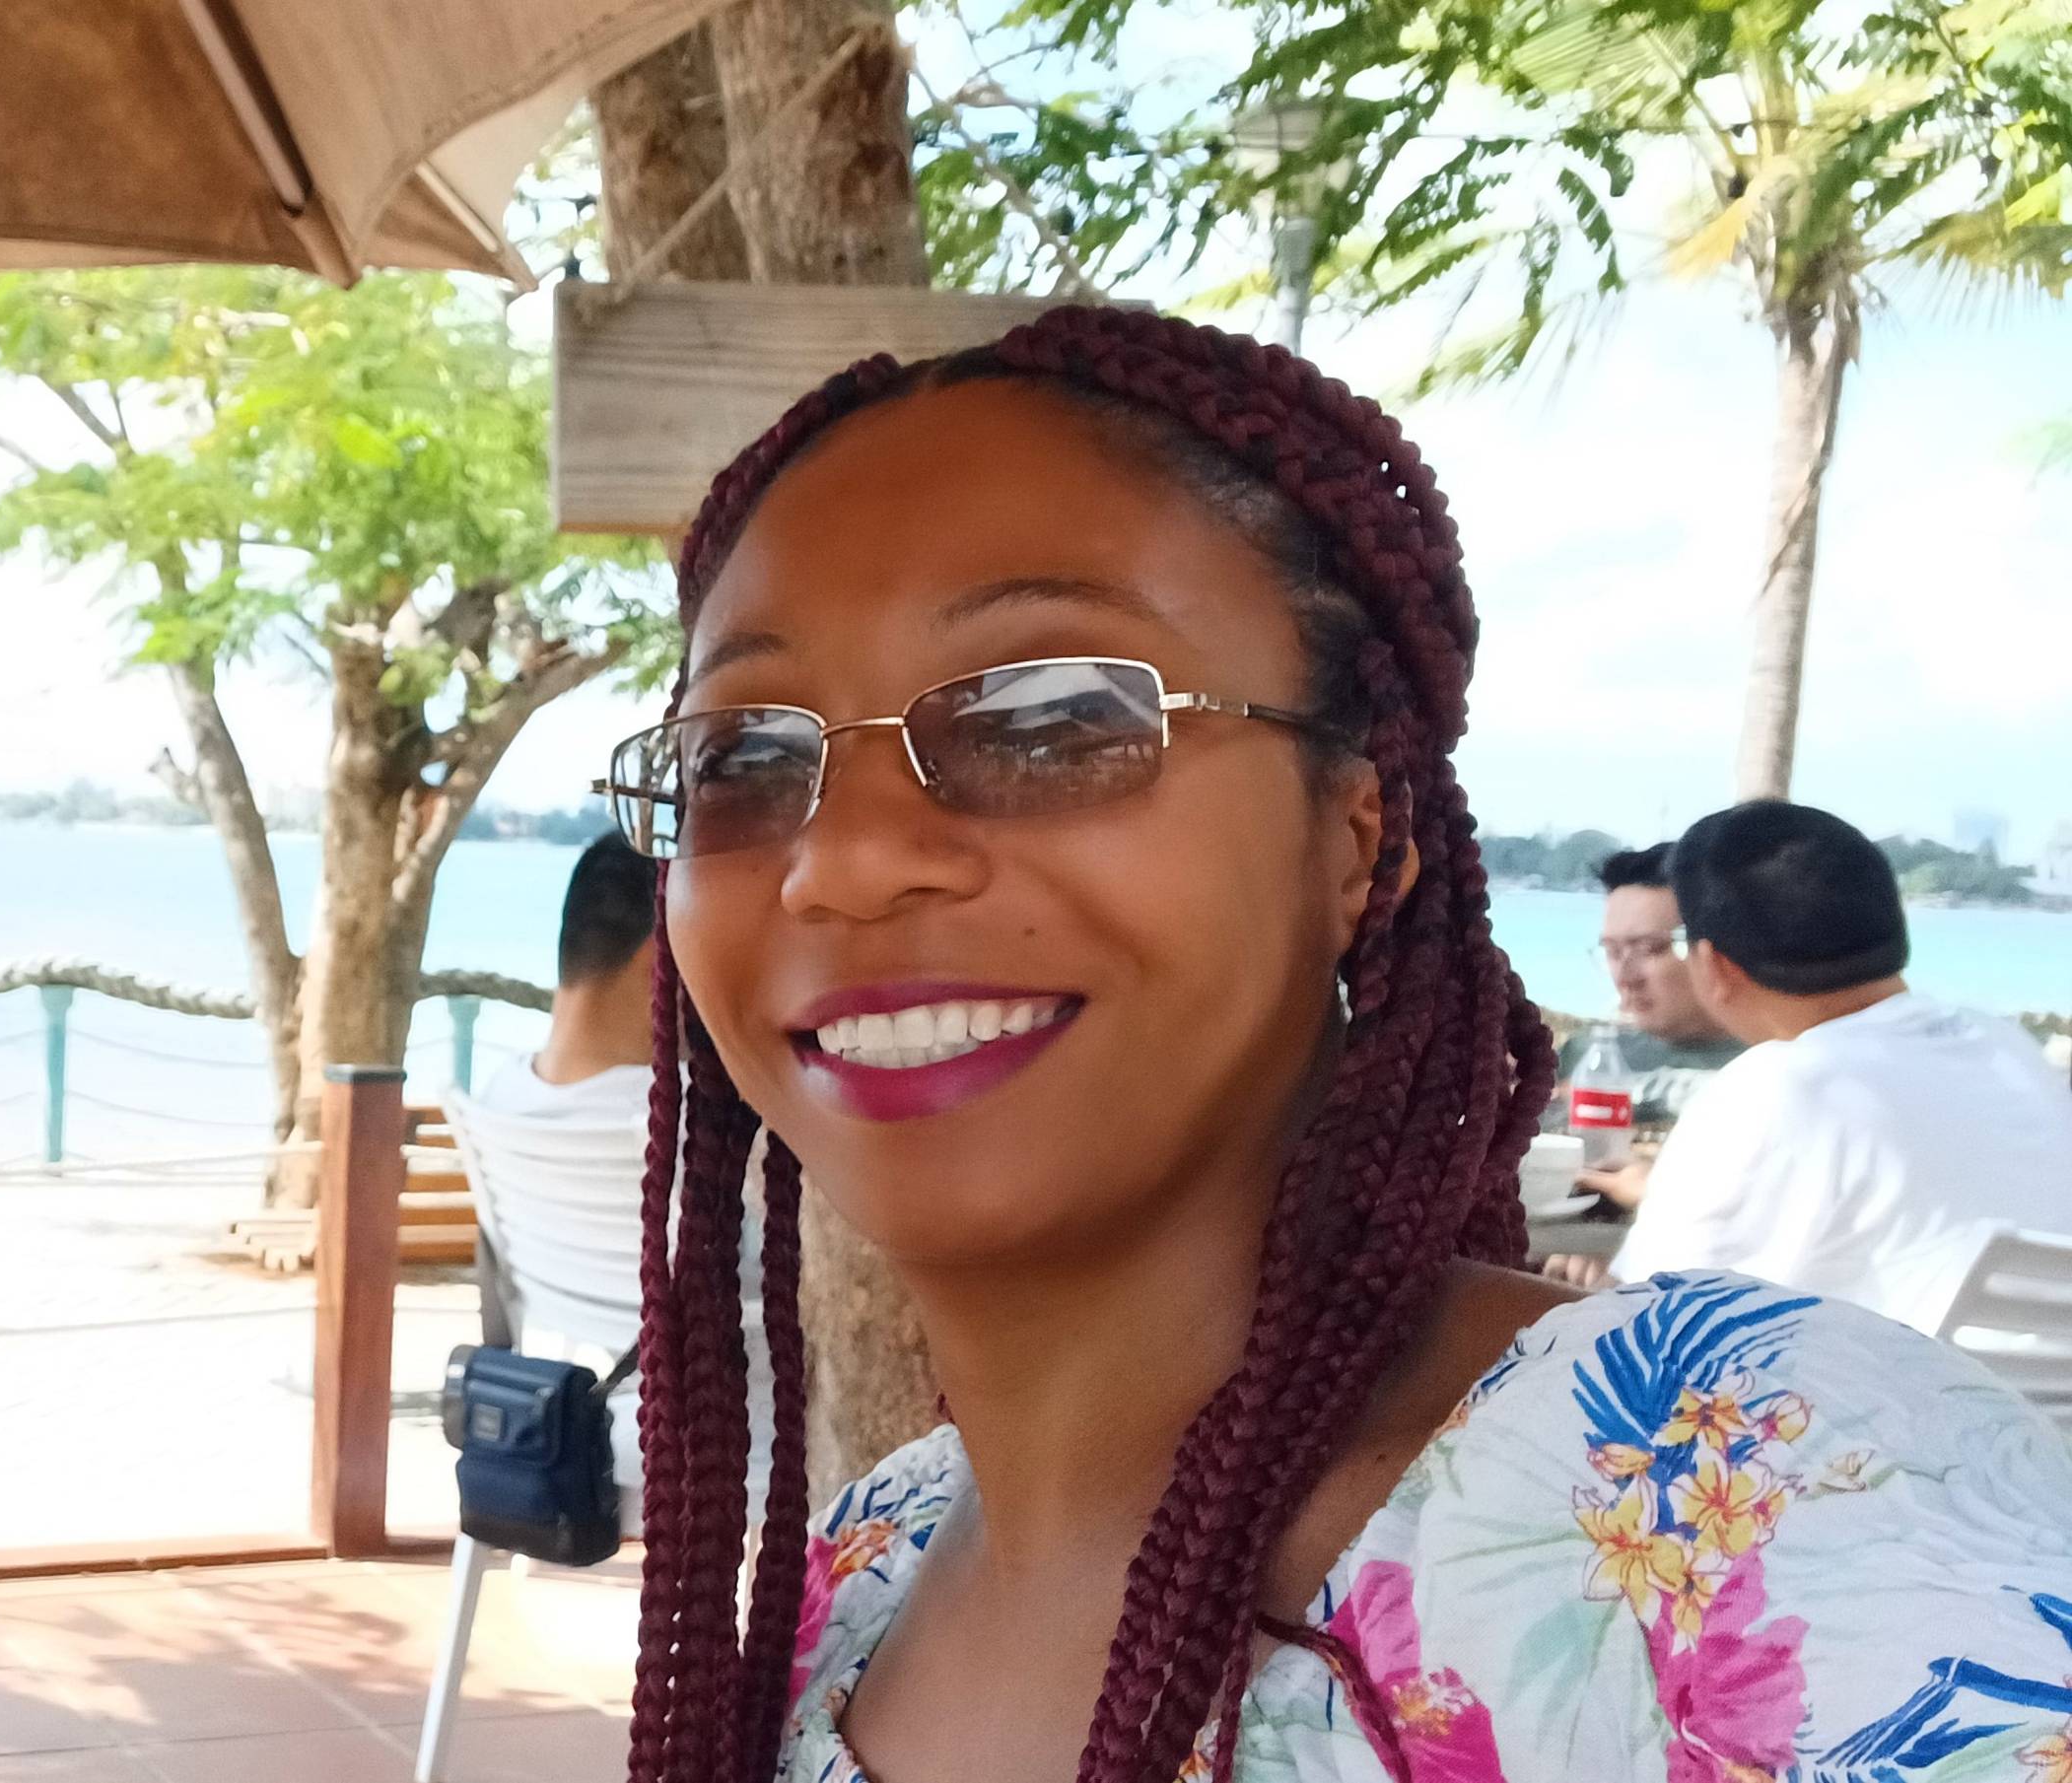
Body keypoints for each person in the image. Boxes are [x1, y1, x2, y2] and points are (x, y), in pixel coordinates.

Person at [605, 309, 2072, 1783]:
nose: (844, 859)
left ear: (1358, 840)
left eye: (1052, 718)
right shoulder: (853, 1583)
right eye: (745, 758)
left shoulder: (1757, 1505)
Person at [1611, 799, 2072, 1335]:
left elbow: (1638, 1327)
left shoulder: (1775, 1090)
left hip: (1885, 1409)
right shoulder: (2007, 1046)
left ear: (1712, 964)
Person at [461, 833, 660, 1345]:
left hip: (576, 1406)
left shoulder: (496, 1102)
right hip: (747, 1416)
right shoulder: (704, 1131)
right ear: (666, 962)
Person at [1561, 842, 1746, 1124]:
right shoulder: (1585, 1055)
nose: (1626, 977)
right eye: (1612, 952)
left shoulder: (1778, 1063)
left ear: (1715, 951)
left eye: (1649, 949)